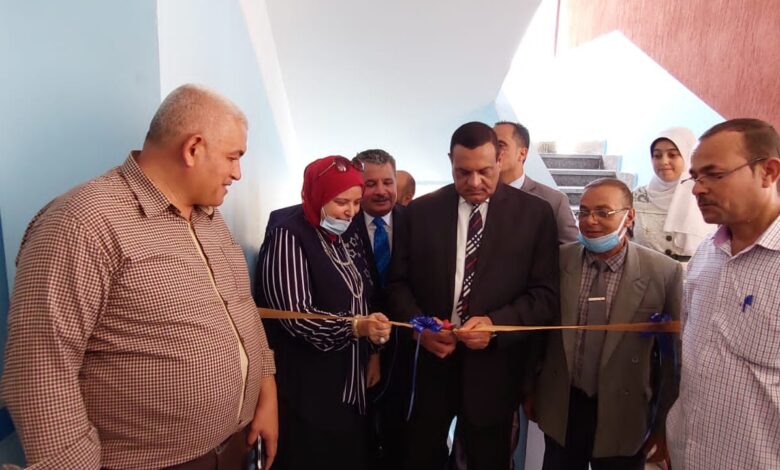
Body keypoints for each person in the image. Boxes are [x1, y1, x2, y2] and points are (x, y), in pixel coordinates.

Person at [1, 84, 278, 469]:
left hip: (234, 449)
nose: (237, 173)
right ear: (193, 149)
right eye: (233, 157)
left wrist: (266, 393)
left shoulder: (209, 217)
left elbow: (241, 308)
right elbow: (39, 371)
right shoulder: (83, 222)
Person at [387, 121, 560, 469]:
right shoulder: (419, 213)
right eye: (463, 172)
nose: (475, 182)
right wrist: (420, 328)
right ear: (450, 162)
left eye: (484, 171)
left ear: (500, 160)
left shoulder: (534, 215)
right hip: (431, 369)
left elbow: (545, 296)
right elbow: (396, 286)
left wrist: (496, 325)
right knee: (420, 458)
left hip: (494, 374)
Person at [254, 155, 392, 470]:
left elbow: (362, 296)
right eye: (341, 202)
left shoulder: (344, 233)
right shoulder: (289, 234)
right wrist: (356, 328)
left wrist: (373, 348)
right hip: (309, 384)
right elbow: (294, 316)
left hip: (348, 381)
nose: (351, 211)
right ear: (317, 195)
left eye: (356, 202)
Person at [535, 178, 683, 470]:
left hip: (625, 411)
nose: (591, 221)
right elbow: (540, 335)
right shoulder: (557, 262)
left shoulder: (663, 272)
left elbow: (673, 358)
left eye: (603, 212)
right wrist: (532, 392)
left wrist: (664, 423)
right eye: (584, 212)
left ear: (629, 216)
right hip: (565, 406)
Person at [666, 118, 780, 469]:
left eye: (714, 175)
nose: (697, 189)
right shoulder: (706, 253)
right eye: (695, 177)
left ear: (768, 172)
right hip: (691, 454)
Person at [350, 149, 410, 470]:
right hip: (356, 347)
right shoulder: (343, 224)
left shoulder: (415, 223)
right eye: (370, 184)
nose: (381, 191)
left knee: (400, 430)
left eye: (387, 182)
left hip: (407, 346)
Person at [633, 127, 714, 262]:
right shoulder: (637, 197)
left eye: (672, 155)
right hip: (645, 272)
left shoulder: (705, 195)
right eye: (657, 156)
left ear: (688, 156)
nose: (664, 161)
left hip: (693, 272)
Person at [495, 121, 578, 244]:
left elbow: (571, 250)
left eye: (500, 145)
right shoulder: (476, 195)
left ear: (522, 153)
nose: (492, 151)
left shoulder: (554, 201)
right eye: (490, 145)